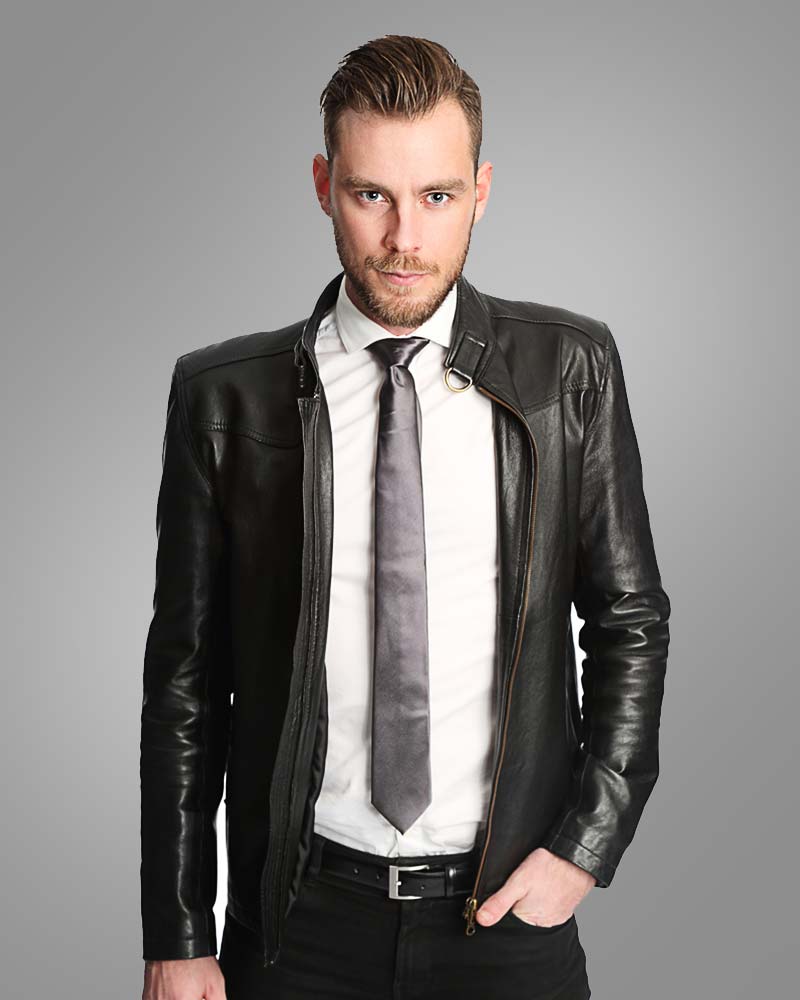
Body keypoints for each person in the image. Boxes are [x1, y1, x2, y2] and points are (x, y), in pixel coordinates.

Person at [140, 33, 670, 1000]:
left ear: (482, 190)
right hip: (297, 921)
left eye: (437, 196)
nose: (404, 239)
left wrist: (586, 844)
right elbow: (184, 681)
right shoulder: (227, 398)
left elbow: (629, 619)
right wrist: (177, 933)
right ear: (322, 185)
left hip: (506, 911)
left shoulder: (570, 370)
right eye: (370, 194)